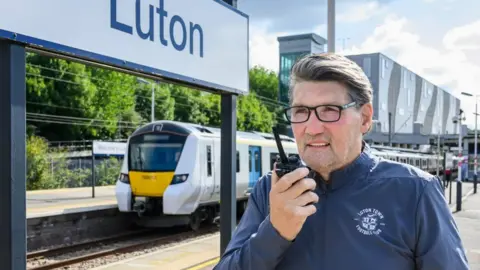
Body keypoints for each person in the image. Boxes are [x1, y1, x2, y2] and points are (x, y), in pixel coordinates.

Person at [213, 53, 469, 269]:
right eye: (301, 111)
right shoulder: (270, 189)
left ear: (365, 118)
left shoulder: (415, 191)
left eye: (330, 110)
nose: (312, 128)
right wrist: (276, 230)